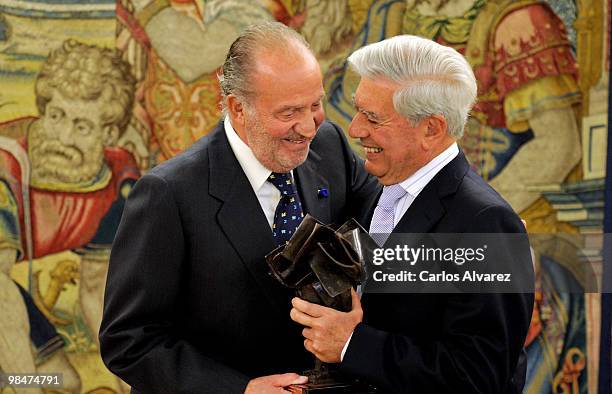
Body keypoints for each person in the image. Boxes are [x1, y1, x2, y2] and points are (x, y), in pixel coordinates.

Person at [99, 22, 379, 393]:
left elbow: (385, 230)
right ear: (238, 108)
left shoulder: (330, 147)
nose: (309, 127)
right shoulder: (167, 194)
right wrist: (240, 390)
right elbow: (128, 340)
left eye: (315, 104)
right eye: (289, 112)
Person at [290, 35, 535, 393]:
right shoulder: (377, 193)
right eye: (358, 110)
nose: (356, 129)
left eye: (373, 118)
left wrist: (351, 344)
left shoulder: (489, 224)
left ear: (431, 129)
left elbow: (480, 375)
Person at [0, 39, 139, 392]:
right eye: (56, 115)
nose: (61, 136)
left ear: (109, 134)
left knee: (65, 384)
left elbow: (95, 293)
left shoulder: (113, 183)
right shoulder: (7, 166)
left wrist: (133, 383)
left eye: (81, 126)